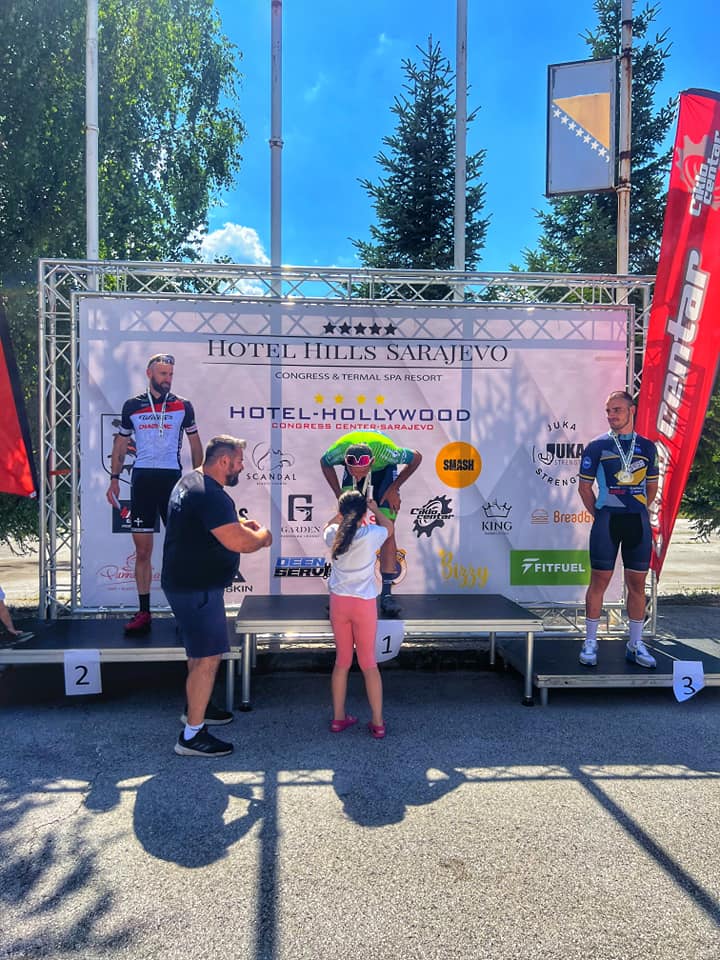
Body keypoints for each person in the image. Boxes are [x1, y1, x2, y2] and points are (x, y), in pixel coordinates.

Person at [161, 435, 272, 757]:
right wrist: (262, 536)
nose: (242, 467)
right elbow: (242, 543)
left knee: (198, 654)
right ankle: (192, 736)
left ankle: (197, 708)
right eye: (238, 462)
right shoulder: (211, 495)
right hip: (197, 588)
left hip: (187, 584)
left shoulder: (190, 482)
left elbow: (208, 524)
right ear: (224, 461)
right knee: (207, 659)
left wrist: (238, 523)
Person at [106, 353, 203, 636]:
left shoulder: (183, 405)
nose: (167, 379)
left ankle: (184, 612)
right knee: (143, 551)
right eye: (163, 374)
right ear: (150, 374)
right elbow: (121, 444)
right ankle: (144, 612)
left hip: (171, 479)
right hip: (143, 480)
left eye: (171, 374)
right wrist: (114, 479)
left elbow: (195, 442)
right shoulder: (132, 405)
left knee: (179, 549)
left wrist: (199, 477)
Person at [577, 390, 659, 669]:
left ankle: (635, 644)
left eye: (617, 410)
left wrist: (636, 507)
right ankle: (590, 642)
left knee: (637, 585)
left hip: (637, 522)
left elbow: (651, 486)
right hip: (608, 522)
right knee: (598, 582)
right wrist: (601, 514)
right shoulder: (597, 446)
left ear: (631, 410)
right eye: (608, 411)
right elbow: (584, 488)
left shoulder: (647, 447)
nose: (611, 415)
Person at [320, 431, 422, 616]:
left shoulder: (386, 451)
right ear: (346, 462)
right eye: (354, 471)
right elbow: (324, 463)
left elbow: (416, 457)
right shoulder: (339, 451)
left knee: (387, 531)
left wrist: (394, 488)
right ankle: (341, 592)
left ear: (372, 461)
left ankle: (387, 595)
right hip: (354, 473)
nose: (359, 477)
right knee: (348, 524)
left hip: (384, 474)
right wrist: (338, 494)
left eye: (362, 472)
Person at [324, 492, 394, 739]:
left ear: (341, 513)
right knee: (369, 664)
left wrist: (339, 517)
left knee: (342, 662)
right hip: (364, 605)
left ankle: (338, 719)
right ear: (364, 514)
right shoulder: (372, 534)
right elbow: (390, 528)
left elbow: (327, 527)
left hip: (339, 604)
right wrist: (374, 509)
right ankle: (378, 723)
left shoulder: (333, 534)